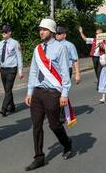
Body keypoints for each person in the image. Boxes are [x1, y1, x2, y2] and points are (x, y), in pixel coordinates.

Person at [24, 19, 72, 171]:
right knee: (36, 126)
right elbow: (33, 71)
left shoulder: (60, 48)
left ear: (51, 32)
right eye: (40, 29)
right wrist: (29, 92)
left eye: (44, 30)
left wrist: (64, 94)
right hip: (38, 92)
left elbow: (65, 72)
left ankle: (66, 143)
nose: (41, 32)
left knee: (54, 125)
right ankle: (39, 157)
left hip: (53, 93)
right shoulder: (37, 49)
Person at [0, 25, 24, 117]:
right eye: (2, 32)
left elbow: (19, 57)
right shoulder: (0, 44)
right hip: (3, 70)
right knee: (7, 90)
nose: (3, 33)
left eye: (5, 32)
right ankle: (12, 105)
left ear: (10, 32)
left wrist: (20, 71)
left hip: (12, 69)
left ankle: (4, 109)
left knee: (8, 89)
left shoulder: (15, 43)